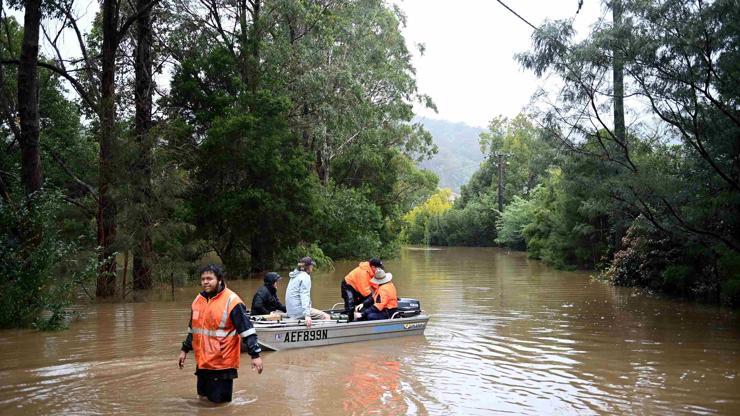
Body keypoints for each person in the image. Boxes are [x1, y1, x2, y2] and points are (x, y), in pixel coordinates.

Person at [177, 264, 263, 403]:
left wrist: (255, 355)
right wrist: (184, 350)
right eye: (203, 279)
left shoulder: (232, 301)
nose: (205, 282)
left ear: (220, 280)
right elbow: (193, 329)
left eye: (209, 278)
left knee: (220, 407)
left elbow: (247, 330)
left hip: (222, 365)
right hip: (203, 363)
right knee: (202, 401)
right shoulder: (197, 301)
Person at [285, 256, 330, 327]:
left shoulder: (294, 276)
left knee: (313, 311)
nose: (312, 267)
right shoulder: (305, 277)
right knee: (326, 317)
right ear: (308, 267)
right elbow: (304, 295)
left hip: (290, 311)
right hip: (299, 311)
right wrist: (307, 315)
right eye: (311, 265)